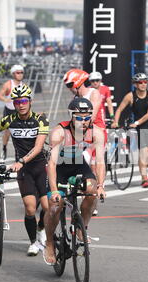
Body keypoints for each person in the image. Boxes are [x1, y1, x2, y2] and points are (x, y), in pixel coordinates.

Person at [0, 84, 50, 257]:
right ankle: (34, 242)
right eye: (17, 101)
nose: (21, 104)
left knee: (47, 206)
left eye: (24, 101)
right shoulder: (10, 119)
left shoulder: (40, 120)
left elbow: (38, 148)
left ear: (30, 101)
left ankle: (42, 228)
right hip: (24, 170)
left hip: (40, 166)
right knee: (30, 209)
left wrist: (21, 160)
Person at [44, 97, 106, 265]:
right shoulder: (59, 132)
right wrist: (55, 190)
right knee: (55, 207)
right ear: (71, 116)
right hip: (59, 168)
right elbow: (52, 163)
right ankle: (49, 242)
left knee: (92, 191)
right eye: (79, 117)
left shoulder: (97, 132)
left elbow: (100, 162)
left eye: (87, 117)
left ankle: (81, 228)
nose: (84, 121)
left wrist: (100, 185)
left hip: (78, 165)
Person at [63, 69, 104, 215]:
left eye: (70, 85)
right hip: (79, 135)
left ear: (78, 82)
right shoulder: (74, 100)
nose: (69, 89)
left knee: (92, 165)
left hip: (95, 133)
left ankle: (93, 200)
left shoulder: (94, 93)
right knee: (69, 160)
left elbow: (90, 118)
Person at [112, 73, 148, 188]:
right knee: (143, 154)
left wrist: (136, 123)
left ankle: (143, 166)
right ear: (135, 84)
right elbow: (119, 110)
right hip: (140, 128)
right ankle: (144, 178)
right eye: (140, 82)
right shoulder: (130, 96)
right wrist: (115, 122)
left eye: (145, 82)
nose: (143, 84)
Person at [0, 65, 25, 160]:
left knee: (19, 133)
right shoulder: (8, 84)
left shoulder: (24, 86)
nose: (20, 74)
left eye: (21, 72)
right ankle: (4, 148)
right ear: (13, 74)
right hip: (9, 111)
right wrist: (6, 99)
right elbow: (0, 95)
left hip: (19, 111)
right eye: (18, 72)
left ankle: (18, 153)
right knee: (8, 132)